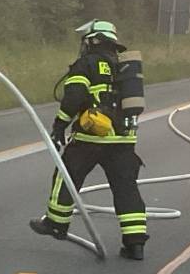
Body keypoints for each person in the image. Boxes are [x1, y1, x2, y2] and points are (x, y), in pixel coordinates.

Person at [29, 19, 150, 261]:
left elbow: (73, 96)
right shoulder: (123, 65)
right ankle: (135, 243)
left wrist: (59, 125)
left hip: (90, 137)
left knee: (66, 177)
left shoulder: (87, 63)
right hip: (124, 140)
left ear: (92, 41)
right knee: (126, 189)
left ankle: (56, 223)